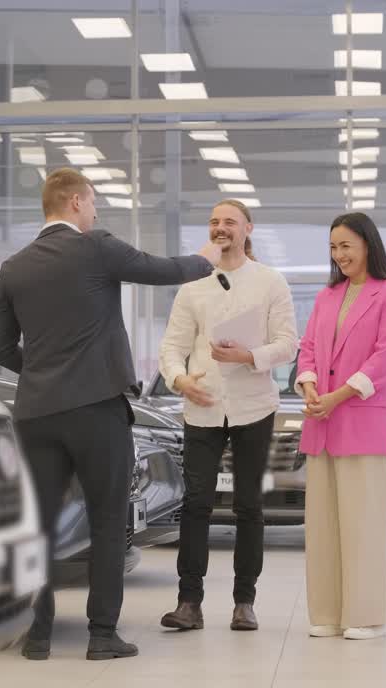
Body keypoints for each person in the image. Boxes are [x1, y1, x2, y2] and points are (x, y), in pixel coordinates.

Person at [0, 168, 222, 661]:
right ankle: (101, 635)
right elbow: (160, 269)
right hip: (96, 409)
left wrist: (44, 372)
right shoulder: (95, 246)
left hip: (36, 414)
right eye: (93, 203)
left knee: (39, 525)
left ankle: (37, 635)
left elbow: (0, 348)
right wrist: (207, 258)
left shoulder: (14, 267)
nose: (96, 212)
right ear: (75, 203)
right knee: (108, 519)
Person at [157, 199, 297, 633]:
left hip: (254, 406)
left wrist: (250, 356)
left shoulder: (270, 282)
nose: (221, 228)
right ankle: (189, 602)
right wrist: (179, 380)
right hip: (202, 406)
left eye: (230, 222)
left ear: (247, 229)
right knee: (196, 504)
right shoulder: (192, 285)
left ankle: (244, 601)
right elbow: (171, 348)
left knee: (249, 505)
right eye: (215, 222)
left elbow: (289, 343)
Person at [294, 212, 386, 641]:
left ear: (367, 245)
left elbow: (384, 359)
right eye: (332, 248)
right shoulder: (327, 297)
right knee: (323, 526)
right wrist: (309, 388)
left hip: (363, 423)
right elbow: (307, 349)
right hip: (321, 424)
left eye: (346, 246)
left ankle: (364, 615)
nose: (339, 255)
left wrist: (337, 396)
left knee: (362, 524)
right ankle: (327, 612)